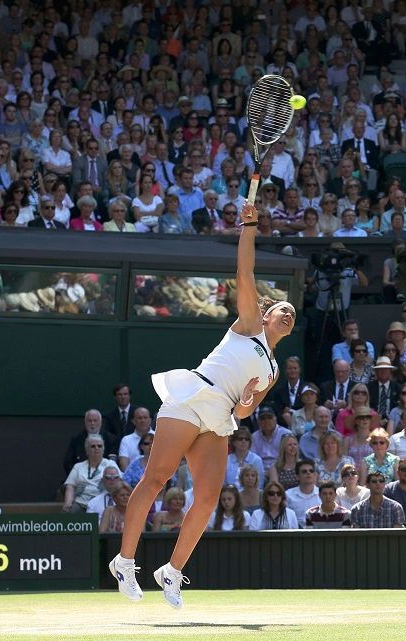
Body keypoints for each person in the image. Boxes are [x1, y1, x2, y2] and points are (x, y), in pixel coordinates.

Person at [110, 202, 297, 609]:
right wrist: (249, 224)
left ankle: (171, 572)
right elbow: (244, 272)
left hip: (220, 416)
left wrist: (247, 402)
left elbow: (246, 412)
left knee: (209, 498)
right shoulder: (248, 323)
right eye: (283, 310)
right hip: (193, 396)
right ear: (266, 315)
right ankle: (125, 561)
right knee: (157, 478)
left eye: (293, 315)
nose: (289, 315)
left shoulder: (273, 370)